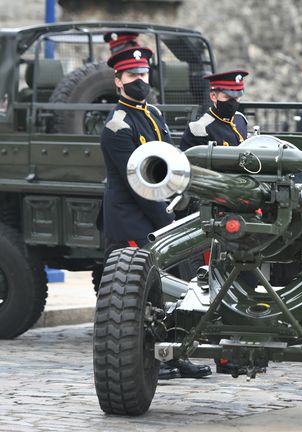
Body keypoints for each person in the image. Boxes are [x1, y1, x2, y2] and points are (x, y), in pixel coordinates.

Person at [99, 46, 211, 380]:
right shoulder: (117, 126)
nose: (140, 82)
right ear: (118, 81)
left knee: (171, 290)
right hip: (132, 219)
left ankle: (176, 354)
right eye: (133, 76)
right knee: (141, 295)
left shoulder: (153, 114)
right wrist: (168, 222)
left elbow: (168, 160)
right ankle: (153, 359)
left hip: (157, 213)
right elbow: (138, 182)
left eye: (143, 75)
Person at [180, 70, 249, 150]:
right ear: (213, 96)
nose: (233, 102)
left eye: (236, 98)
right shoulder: (200, 128)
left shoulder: (240, 119)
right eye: (227, 97)